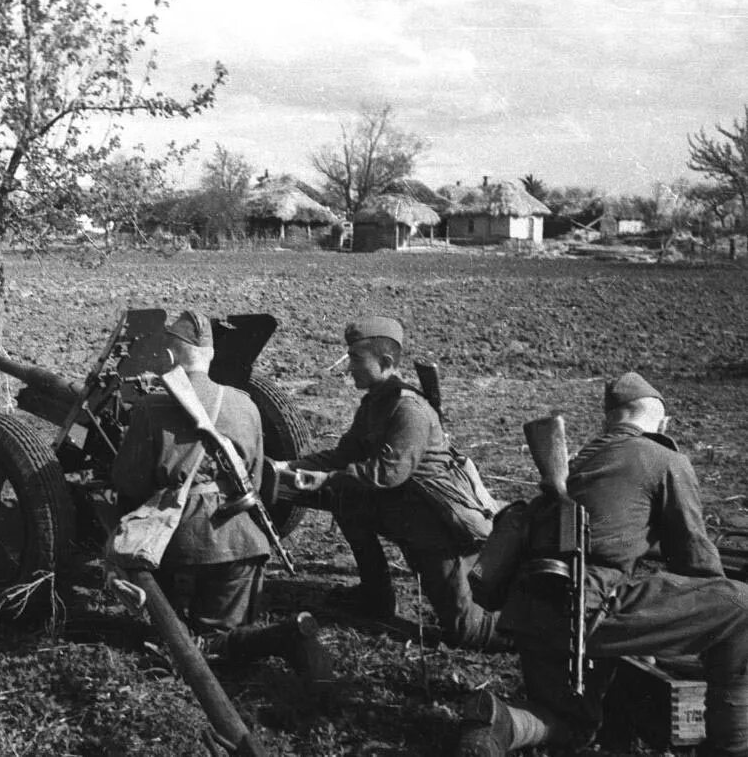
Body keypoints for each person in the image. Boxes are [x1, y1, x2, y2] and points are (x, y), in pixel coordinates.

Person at [457, 372, 748, 757]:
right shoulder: (663, 458)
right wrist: (680, 633)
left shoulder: (576, 464)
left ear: (610, 419)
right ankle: (733, 747)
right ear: (663, 424)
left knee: (575, 727)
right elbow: (697, 563)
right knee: (741, 607)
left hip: (530, 612)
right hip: (584, 607)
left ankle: (501, 723)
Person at [109, 310, 331, 680]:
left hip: (177, 547)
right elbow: (258, 481)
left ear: (168, 356)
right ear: (210, 356)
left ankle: (281, 639)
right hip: (243, 542)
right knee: (220, 635)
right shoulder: (246, 404)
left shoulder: (151, 408)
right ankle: (280, 638)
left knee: (184, 644)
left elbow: (128, 483)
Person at [277, 316, 504, 650]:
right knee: (345, 497)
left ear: (384, 362)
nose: (349, 367)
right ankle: (376, 596)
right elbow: (344, 455)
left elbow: (387, 473)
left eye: (356, 359)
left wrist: (326, 479)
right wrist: (285, 467)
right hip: (403, 509)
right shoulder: (375, 402)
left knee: (464, 631)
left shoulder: (408, 408)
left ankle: (540, 631)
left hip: (436, 525)